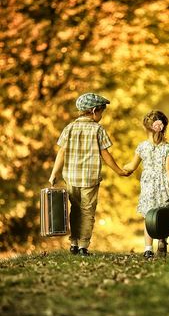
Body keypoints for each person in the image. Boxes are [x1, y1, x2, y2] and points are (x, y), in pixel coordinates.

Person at [49, 93, 129, 256]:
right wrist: (119, 171)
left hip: (71, 178)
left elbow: (61, 153)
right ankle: (83, 246)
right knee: (87, 212)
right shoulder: (97, 129)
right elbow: (105, 154)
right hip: (90, 180)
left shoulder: (69, 128)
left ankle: (74, 243)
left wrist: (54, 174)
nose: (101, 117)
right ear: (93, 111)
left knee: (75, 210)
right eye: (101, 113)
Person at [123, 110, 169, 258]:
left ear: (146, 128)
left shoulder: (142, 147)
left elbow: (132, 165)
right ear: (163, 127)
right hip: (163, 186)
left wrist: (122, 170)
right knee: (163, 216)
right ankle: (162, 242)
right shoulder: (168, 147)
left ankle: (148, 248)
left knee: (149, 217)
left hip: (148, 185)